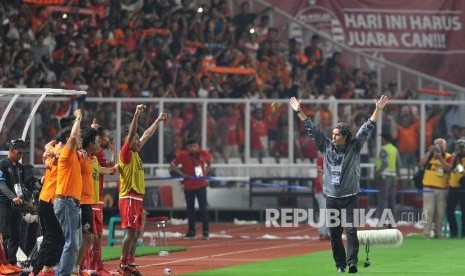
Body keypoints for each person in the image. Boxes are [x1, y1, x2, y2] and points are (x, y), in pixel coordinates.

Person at [289, 95, 389, 274]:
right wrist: (298, 111)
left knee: (351, 230)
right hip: (332, 198)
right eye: (332, 134)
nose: (333, 137)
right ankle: (340, 264)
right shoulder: (326, 146)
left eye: (336, 135)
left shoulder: (354, 146)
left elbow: (368, 127)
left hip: (350, 197)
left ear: (345, 137)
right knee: (334, 234)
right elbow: (311, 128)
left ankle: (352, 263)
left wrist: (378, 109)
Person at [117, 105, 167, 275]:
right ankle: (123, 264)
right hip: (129, 197)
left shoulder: (136, 152)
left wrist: (158, 121)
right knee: (130, 233)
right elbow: (132, 133)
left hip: (137, 198)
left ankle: (130, 262)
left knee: (137, 233)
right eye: (135, 139)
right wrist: (137, 114)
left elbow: (146, 134)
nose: (138, 141)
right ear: (127, 142)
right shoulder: (126, 154)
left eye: (138, 139)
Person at [54, 109, 83, 276]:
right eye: (77, 138)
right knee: (71, 243)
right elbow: (72, 138)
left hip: (71, 203)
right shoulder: (65, 153)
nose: (79, 140)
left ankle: (63, 273)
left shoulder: (74, 156)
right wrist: (78, 118)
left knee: (75, 243)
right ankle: (62, 274)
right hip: (66, 202)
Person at [85, 123, 116, 276]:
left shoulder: (95, 158)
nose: (106, 140)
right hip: (90, 200)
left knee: (97, 236)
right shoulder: (90, 157)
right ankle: (87, 267)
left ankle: (96, 267)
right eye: (104, 137)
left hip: (98, 198)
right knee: (90, 236)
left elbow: (110, 169)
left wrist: (115, 158)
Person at [170, 138, 212, 240]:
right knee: (190, 210)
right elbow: (173, 165)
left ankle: (205, 232)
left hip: (201, 185)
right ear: (187, 148)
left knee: (203, 209)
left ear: (198, 146)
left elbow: (210, 161)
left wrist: (205, 173)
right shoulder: (183, 155)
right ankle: (191, 231)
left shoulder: (202, 153)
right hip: (189, 186)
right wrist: (183, 174)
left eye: (195, 146)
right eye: (190, 147)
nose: (193, 148)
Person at [0, 139, 30, 274]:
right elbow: (1, 185)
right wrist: (13, 197)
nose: (21, 155)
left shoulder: (20, 167)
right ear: (11, 150)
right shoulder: (2, 165)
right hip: (4, 204)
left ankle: (11, 262)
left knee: (16, 235)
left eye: (23, 153)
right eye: (19, 152)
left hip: (17, 206)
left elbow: (22, 186)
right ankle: (2, 263)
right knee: (4, 235)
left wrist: (27, 199)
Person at [419, 138, 452, 239]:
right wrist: (429, 152)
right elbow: (421, 163)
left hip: (442, 189)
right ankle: (426, 234)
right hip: (428, 188)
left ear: (445, 147)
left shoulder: (448, 157)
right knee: (427, 212)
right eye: (437, 146)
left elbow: (449, 169)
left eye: (441, 146)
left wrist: (440, 158)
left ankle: (439, 233)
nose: (439, 148)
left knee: (440, 212)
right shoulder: (429, 157)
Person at [375, 133, 401, 225]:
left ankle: (382, 222)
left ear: (385, 140)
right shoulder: (394, 149)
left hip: (384, 177)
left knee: (383, 200)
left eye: (382, 139)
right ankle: (392, 222)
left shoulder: (384, 149)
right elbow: (398, 164)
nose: (381, 141)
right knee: (392, 200)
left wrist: (377, 173)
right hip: (393, 177)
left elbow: (384, 163)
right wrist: (398, 175)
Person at [447, 137, 465, 238]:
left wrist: (459, 157)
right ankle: (453, 233)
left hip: (463, 189)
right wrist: (456, 155)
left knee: (464, 212)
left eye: (462, 146)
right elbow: (451, 169)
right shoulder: (454, 157)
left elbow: (461, 170)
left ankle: (463, 234)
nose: (461, 148)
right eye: (459, 146)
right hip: (453, 188)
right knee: (449, 211)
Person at [314, 153, 330, 240]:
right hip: (321, 190)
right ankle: (322, 232)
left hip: (330, 190)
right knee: (324, 209)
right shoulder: (321, 158)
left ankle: (327, 232)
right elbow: (320, 174)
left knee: (329, 211)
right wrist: (324, 188)